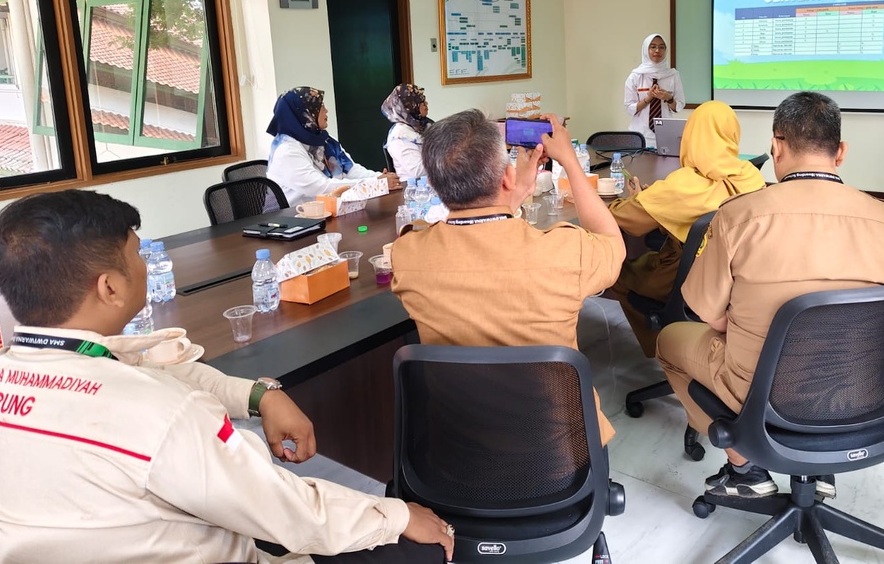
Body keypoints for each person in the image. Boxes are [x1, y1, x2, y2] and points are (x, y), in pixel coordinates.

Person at [0, 190, 453, 563]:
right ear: (109, 287)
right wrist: (393, 516)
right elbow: (283, 509)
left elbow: (149, 367)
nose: (147, 264)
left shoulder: (9, 369)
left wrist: (260, 395)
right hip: (222, 540)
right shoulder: (163, 415)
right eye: (138, 255)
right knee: (421, 544)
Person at [655, 92, 884, 499]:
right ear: (841, 152)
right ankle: (818, 469)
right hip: (861, 393)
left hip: (762, 393)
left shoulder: (740, 215)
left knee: (669, 341)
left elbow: (709, 314)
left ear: (775, 147)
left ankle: (744, 468)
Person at [391, 109, 625, 445]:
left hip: (458, 450)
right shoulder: (564, 251)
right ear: (506, 177)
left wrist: (510, 195)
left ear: (433, 184)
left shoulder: (408, 255)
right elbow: (612, 243)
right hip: (561, 454)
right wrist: (571, 164)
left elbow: (471, 236)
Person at [608, 101, 765, 357]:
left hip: (684, 279)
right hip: (735, 282)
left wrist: (638, 201)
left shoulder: (684, 185)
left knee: (618, 272)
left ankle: (662, 349)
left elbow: (624, 220)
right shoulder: (751, 175)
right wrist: (655, 201)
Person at [266, 86, 401, 206]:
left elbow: (351, 170)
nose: (326, 110)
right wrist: (375, 185)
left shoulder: (323, 139)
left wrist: (379, 178)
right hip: (296, 220)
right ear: (306, 114)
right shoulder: (287, 151)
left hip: (330, 210)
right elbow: (322, 187)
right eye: (321, 107)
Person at [624, 33, 685, 148]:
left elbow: (679, 106)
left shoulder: (673, 75)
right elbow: (629, 109)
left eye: (662, 47)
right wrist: (648, 99)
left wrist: (668, 98)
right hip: (639, 136)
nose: (657, 50)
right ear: (646, 49)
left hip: (666, 135)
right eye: (653, 47)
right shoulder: (636, 76)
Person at [381, 84, 433, 182]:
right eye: (421, 102)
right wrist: (449, 161)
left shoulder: (423, 125)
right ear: (409, 107)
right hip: (415, 189)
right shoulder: (399, 136)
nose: (426, 104)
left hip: (435, 183)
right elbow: (418, 170)